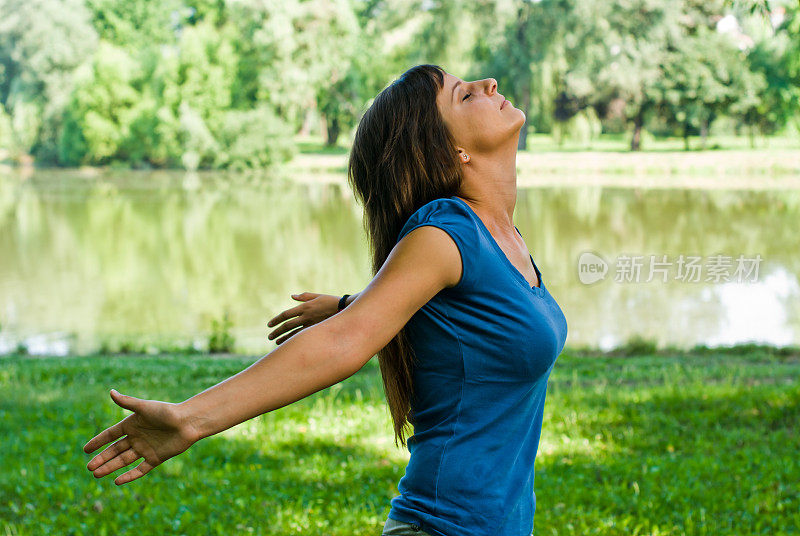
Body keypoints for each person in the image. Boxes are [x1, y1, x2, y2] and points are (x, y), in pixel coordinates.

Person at [82, 64, 568, 536]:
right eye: (465, 94)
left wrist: (350, 304)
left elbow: (461, 318)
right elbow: (343, 344)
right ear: (451, 152)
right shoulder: (448, 232)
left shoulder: (499, 238)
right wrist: (191, 417)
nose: (489, 83)